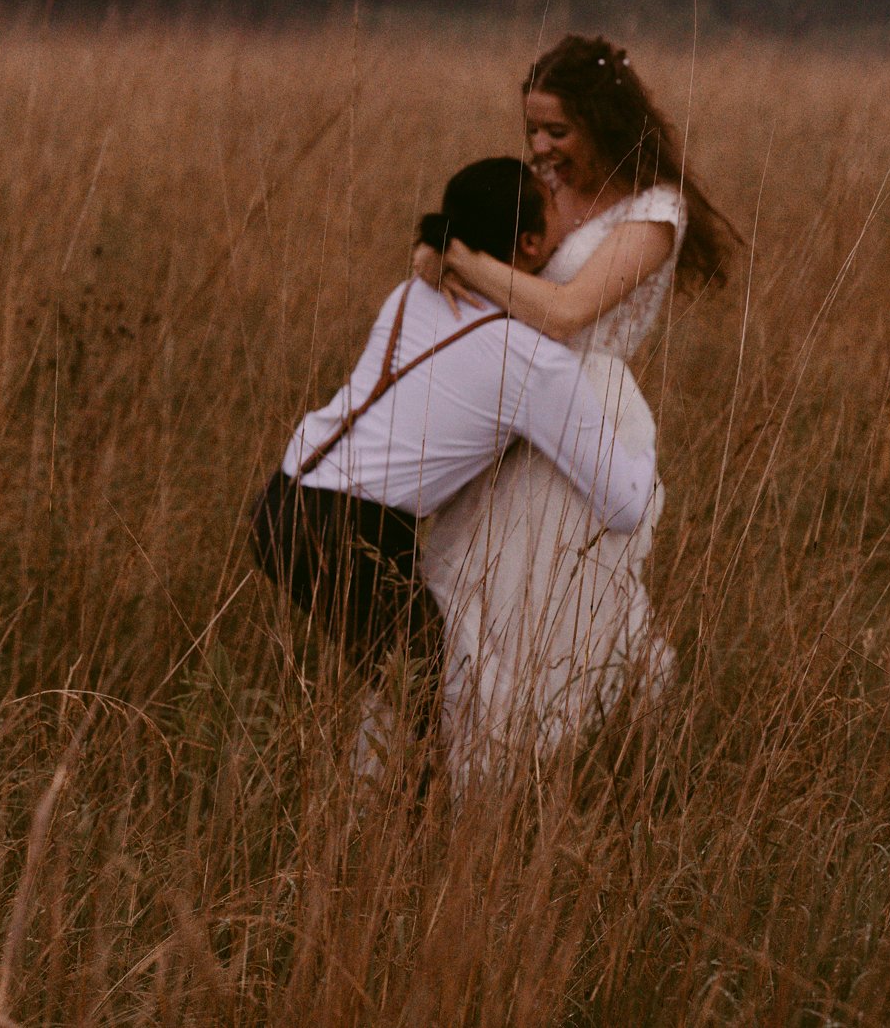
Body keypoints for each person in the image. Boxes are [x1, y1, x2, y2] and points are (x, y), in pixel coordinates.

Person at [250, 156, 659, 782]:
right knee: (448, 706)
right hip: (347, 534)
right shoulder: (534, 363)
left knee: (421, 696)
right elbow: (627, 505)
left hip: (279, 506)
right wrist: (637, 428)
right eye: (551, 224)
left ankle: (397, 836)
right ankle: (410, 856)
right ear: (527, 245)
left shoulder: (415, 291)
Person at [412, 34, 733, 788]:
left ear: (604, 121)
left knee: (548, 591)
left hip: (588, 408)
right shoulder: (540, 190)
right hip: (513, 406)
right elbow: (465, 248)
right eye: (532, 130)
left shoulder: (654, 212)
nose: (541, 147)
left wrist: (466, 262)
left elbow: (566, 313)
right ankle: (451, 770)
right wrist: (435, 254)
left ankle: (528, 769)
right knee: (467, 584)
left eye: (558, 131)